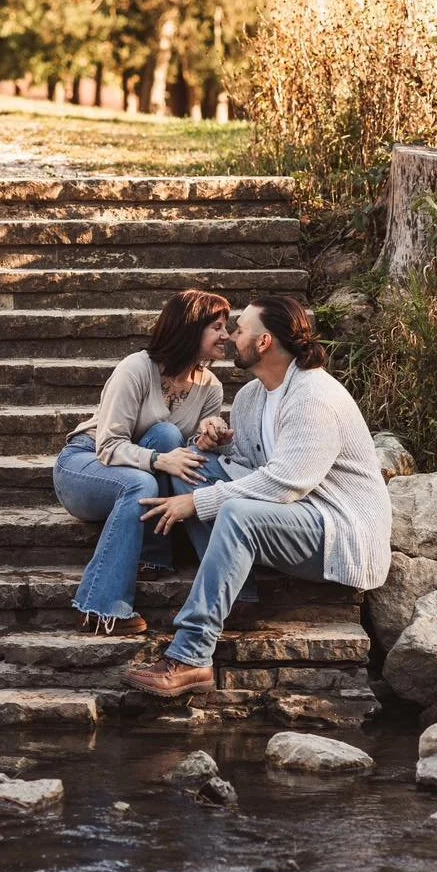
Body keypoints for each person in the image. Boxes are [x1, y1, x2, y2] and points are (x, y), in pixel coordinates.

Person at [121, 295, 392, 695]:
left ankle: (192, 655)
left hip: (339, 529)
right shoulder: (252, 396)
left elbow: (286, 482)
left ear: (264, 342)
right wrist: (217, 445)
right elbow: (252, 463)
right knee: (191, 462)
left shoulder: (314, 396)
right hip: (294, 516)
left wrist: (196, 503)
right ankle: (239, 594)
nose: (230, 336)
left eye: (240, 328)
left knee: (238, 514)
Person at [53, 290, 232, 635]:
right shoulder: (136, 368)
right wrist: (158, 459)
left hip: (142, 466)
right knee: (142, 481)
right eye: (218, 327)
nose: (226, 335)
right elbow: (108, 445)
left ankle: (152, 553)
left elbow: (187, 448)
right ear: (190, 329)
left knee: (165, 433)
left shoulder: (210, 386)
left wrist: (208, 440)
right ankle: (98, 606)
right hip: (85, 464)